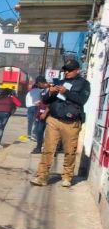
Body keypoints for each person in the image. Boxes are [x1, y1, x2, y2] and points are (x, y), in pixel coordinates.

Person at [31, 59, 91, 187]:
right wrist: (50, 92)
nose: (67, 72)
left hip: (71, 122)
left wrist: (66, 92)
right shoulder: (60, 82)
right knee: (48, 149)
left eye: (70, 70)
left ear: (77, 70)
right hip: (54, 119)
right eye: (65, 70)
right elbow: (46, 100)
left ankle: (67, 176)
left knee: (70, 151)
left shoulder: (84, 84)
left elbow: (82, 100)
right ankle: (42, 176)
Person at [25, 75, 46, 142]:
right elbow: (42, 98)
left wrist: (28, 106)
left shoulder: (29, 92)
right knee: (36, 121)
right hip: (36, 107)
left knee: (30, 122)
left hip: (29, 108)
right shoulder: (40, 91)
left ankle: (29, 135)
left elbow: (27, 100)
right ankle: (34, 135)